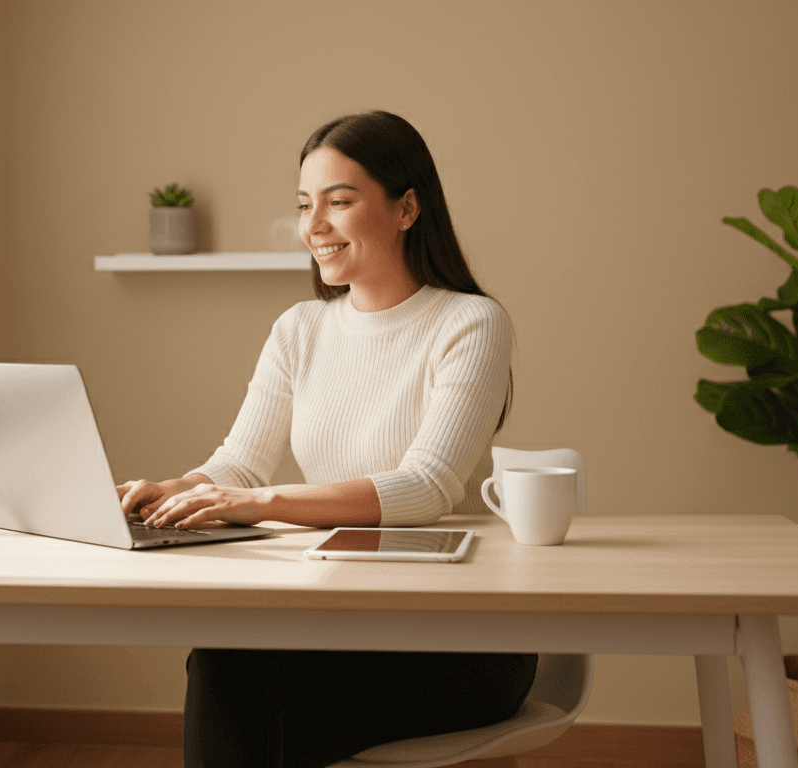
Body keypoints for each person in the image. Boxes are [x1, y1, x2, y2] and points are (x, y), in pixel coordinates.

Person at [117, 111, 537, 768]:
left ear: (406, 208)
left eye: (339, 202)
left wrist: (257, 505)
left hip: (462, 635)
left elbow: (428, 487)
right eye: (304, 204)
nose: (313, 226)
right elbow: (240, 465)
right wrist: (173, 491)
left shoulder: (470, 323)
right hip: (341, 614)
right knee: (227, 660)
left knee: (258, 720)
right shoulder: (300, 329)